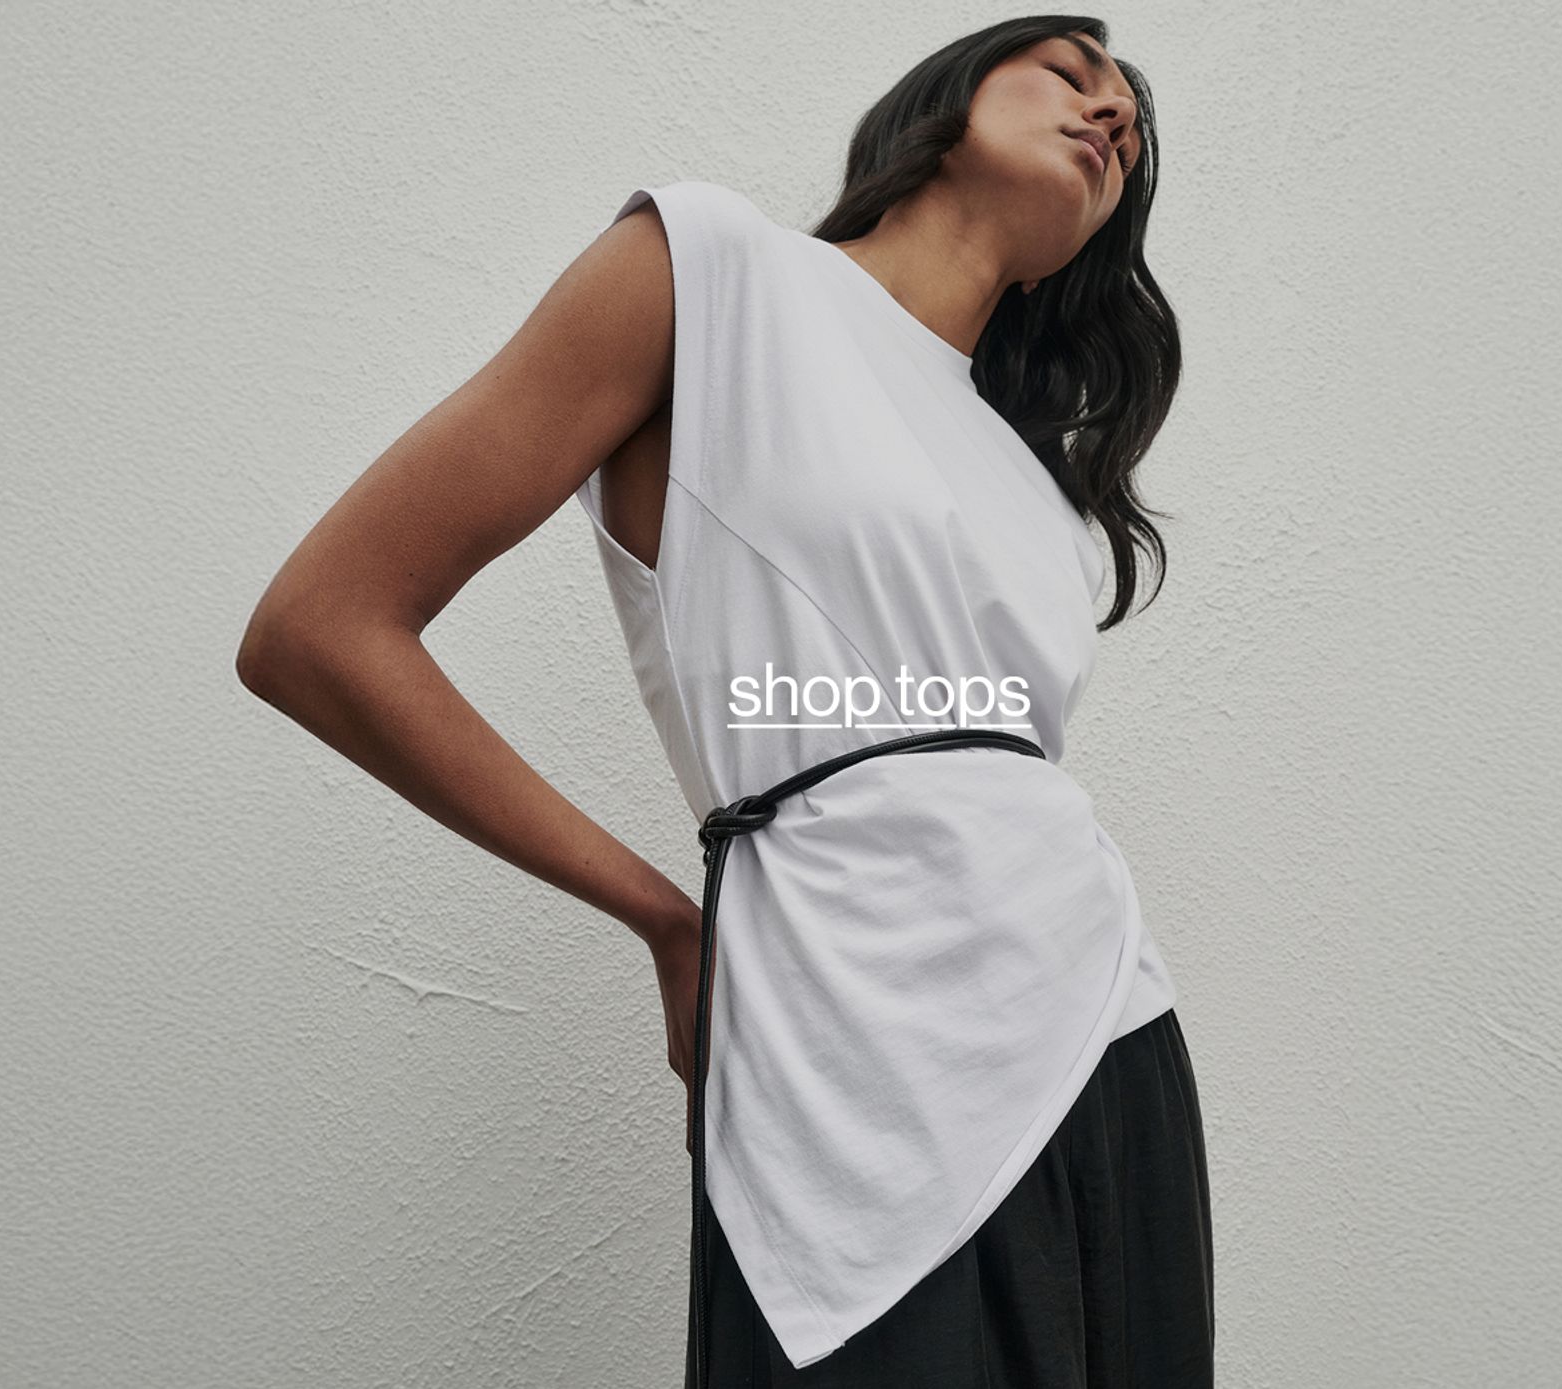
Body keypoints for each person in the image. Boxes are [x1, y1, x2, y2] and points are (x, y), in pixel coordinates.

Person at [237, 14, 1212, 1386]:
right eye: (1072, 72)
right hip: (843, 1028)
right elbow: (320, 629)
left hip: (1108, 1026)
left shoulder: (1035, 483)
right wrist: (666, 918)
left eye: (1133, 125)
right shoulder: (712, 272)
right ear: (943, 103)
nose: (1114, 113)